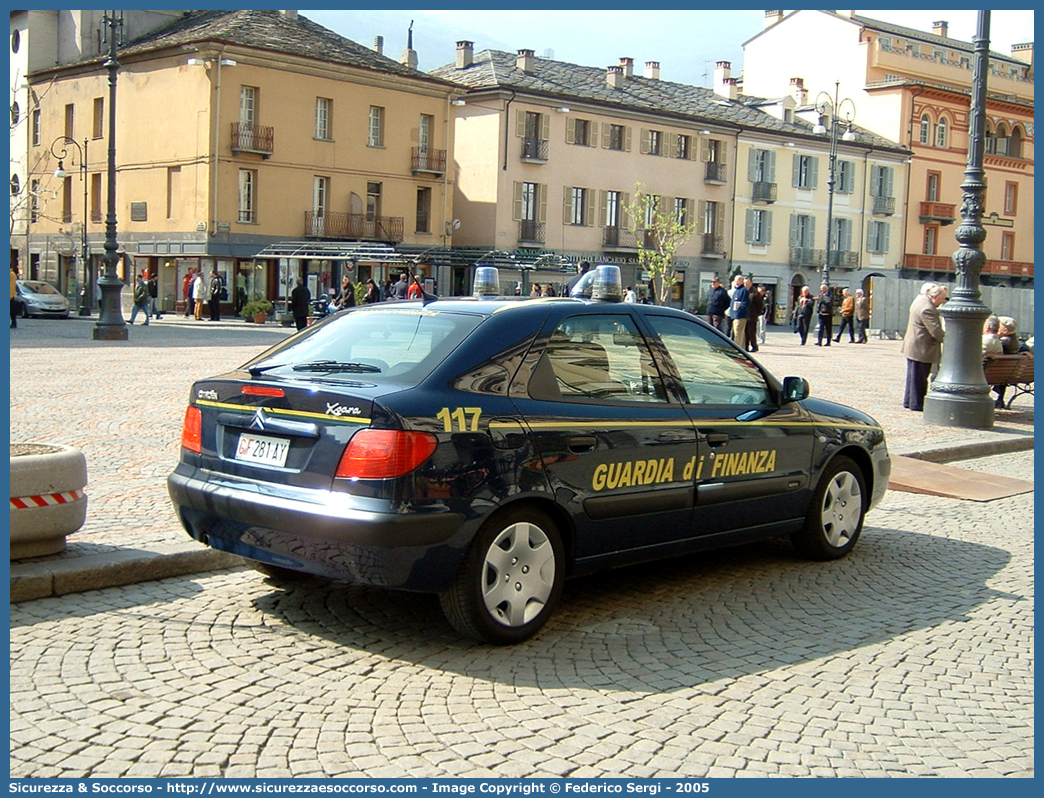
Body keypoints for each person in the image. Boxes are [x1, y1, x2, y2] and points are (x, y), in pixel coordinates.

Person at [901, 284, 946, 411]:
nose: (943, 301)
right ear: (935, 297)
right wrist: (949, 339)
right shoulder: (927, 308)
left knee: (913, 376)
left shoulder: (920, 300)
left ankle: (909, 401)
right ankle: (916, 403)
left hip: (914, 345)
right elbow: (936, 331)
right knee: (919, 378)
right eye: (943, 298)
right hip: (921, 347)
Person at [729, 275, 749, 344]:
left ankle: (739, 350)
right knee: (736, 334)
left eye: (738, 280)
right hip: (734, 316)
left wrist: (739, 312)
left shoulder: (744, 290)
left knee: (738, 335)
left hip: (740, 317)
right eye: (735, 281)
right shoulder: (736, 290)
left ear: (742, 281)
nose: (736, 282)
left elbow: (745, 303)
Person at [744, 278, 762, 352]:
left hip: (752, 316)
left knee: (751, 332)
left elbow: (760, 305)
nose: (746, 284)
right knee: (745, 332)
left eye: (747, 283)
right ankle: (746, 347)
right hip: (745, 315)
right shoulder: (744, 291)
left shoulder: (755, 293)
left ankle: (754, 346)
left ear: (751, 283)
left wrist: (756, 313)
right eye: (745, 283)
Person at [11, 263, 20, 329]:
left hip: (10, 296)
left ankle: (14, 323)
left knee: (11, 311)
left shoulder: (11, 274)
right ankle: (13, 323)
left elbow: (10, 286)